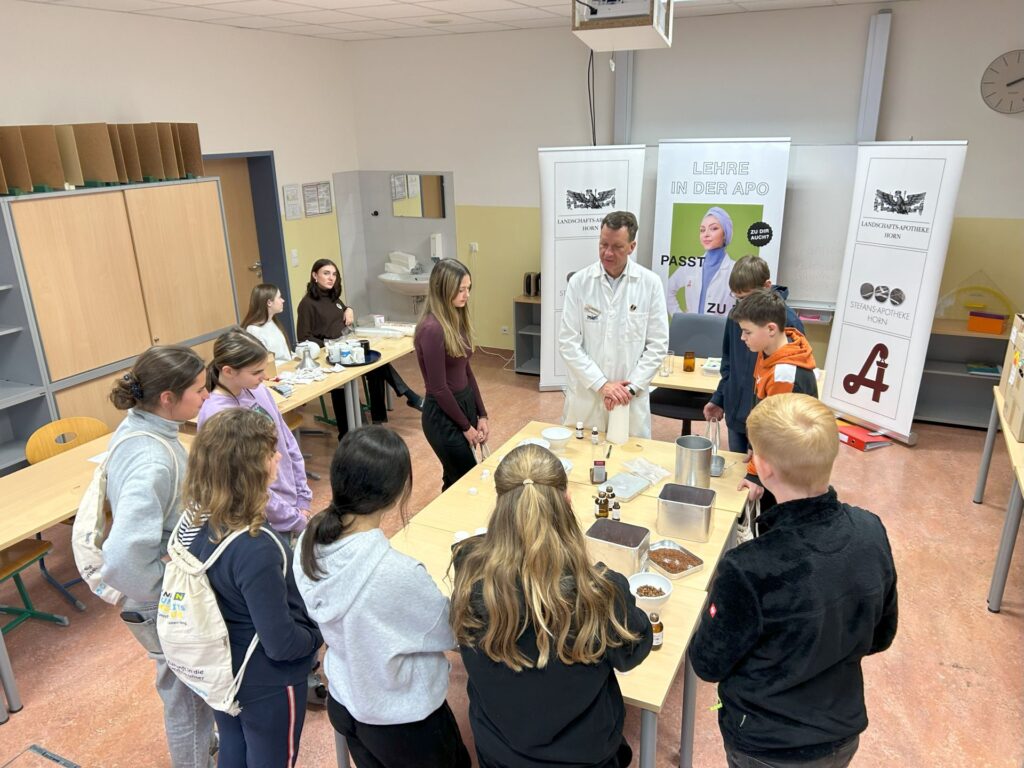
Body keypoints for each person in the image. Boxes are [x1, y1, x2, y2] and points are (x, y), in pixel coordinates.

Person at [689, 393, 898, 768]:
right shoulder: (871, 529)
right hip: (842, 729)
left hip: (766, 744)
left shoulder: (747, 567)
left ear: (764, 468)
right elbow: (881, 635)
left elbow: (708, 663)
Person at [450, 444, 653, 768]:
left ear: (501, 505)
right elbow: (633, 653)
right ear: (567, 501)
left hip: (499, 754)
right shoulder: (600, 592)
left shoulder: (468, 573)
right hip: (586, 757)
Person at [295, 426, 471, 768]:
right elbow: (452, 632)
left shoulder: (309, 541)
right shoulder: (395, 573)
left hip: (346, 701)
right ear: (394, 495)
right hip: (402, 720)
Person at [181, 409, 323, 768]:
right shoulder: (257, 546)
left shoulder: (199, 522)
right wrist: (316, 634)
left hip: (222, 669)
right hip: (267, 682)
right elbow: (281, 643)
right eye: (271, 452)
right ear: (252, 468)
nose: (279, 458)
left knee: (233, 746)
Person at [103, 345, 216, 768]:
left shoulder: (143, 427)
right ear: (167, 398)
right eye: (199, 390)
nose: (206, 396)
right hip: (161, 602)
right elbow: (122, 559)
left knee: (191, 693)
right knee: (186, 699)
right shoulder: (152, 459)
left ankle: (202, 748)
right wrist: (167, 591)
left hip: (163, 594)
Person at [559, 210, 669, 439]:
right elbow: (568, 343)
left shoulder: (650, 284)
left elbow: (657, 345)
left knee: (629, 455)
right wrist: (602, 385)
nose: (607, 253)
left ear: (632, 246)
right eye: (603, 244)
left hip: (629, 397)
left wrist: (629, 388)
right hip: (588, 396)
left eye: (617, 247)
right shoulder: (579, 283)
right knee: (583, 453)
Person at [199, 328, 312, 534]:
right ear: (228, 371)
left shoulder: (258, 389)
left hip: (291, 507)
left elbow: (286, 440)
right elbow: (247, 485)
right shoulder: (217, 415)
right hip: (263, 519)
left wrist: (302, 497)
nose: (265, 376)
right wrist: (292, 517)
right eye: (256, 372)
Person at [296, 259, 423, 437]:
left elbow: (340, 311)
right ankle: (409, 396)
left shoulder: (333, 297)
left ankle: (378, 420)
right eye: (326, 273)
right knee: (367, 370)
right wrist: (328, 345)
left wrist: (348, 309)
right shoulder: (307, 304)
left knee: (377, 364)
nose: (331, 278)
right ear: (314, 275)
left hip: (345, 344)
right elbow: (303, 338)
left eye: (334, 274)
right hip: (330, 354)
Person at [703, 255, 805, 453]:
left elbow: (786, 390)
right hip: (736, 413)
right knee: (737, 469)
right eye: (738, 298)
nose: (743, 304)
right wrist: (719, 398)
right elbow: (729, 363)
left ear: (767, 286)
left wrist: (760, 438)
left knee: (761, 469)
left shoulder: (789, 324)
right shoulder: (737, 316)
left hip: (767, 423)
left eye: (748, 297)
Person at [730, 288, 818, 510]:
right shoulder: (767, 352)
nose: (742, 338)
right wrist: (753, 447)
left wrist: (756, 475)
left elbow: (775, 433)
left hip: (787, 467)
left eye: (747, 332)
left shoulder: (784, 374)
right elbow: (761, 409)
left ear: (771, 329)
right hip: (772, 458)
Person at [414, 258, 489, 490]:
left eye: (468, 288)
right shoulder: (432, 329)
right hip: (442, 416)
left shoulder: (456, 317)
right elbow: (438, 388)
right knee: (466, 479)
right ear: (443, 289)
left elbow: (466, 369)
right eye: (461, 289)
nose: (467, 295)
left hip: (463, 405)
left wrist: (482, 414)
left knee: (455, 479)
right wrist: (466, 427)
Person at [664, 206, 736, 316]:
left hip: (722, 327)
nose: (706, 234)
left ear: (725, 234)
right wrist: (679, 317)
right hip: (692, 326)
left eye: (714, 228)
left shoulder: (735, 269)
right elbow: (667, 288)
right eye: (702, 230)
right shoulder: (690, 265)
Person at [242, 283, 292, 364]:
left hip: (286, 366)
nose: (283, 300)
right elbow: (264, 362)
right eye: (279, 297)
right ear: (269, 303)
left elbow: (284, 354)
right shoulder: (253, 330)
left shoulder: (272, 321)